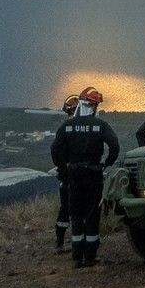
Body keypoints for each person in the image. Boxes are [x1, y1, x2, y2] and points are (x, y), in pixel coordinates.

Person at [49, 85, 119, 269]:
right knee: (92, 215)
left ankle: (76, 257)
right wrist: (106, 163)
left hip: (73, 176)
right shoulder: (100, 125)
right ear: (93, 106)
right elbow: (115, 146)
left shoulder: (67, 126)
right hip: (94, 176)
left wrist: (64, 169)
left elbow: (55, 150)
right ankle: (90, 256)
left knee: (76, 216)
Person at [53, 93, 79, 251]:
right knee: (71, 209)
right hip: (72, 174)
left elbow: (55, 151)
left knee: (66, 209)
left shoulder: (64, 128)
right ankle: (67, 243)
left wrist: (62, 167)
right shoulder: (72, 129)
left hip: (67, 174)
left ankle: (60, 242)